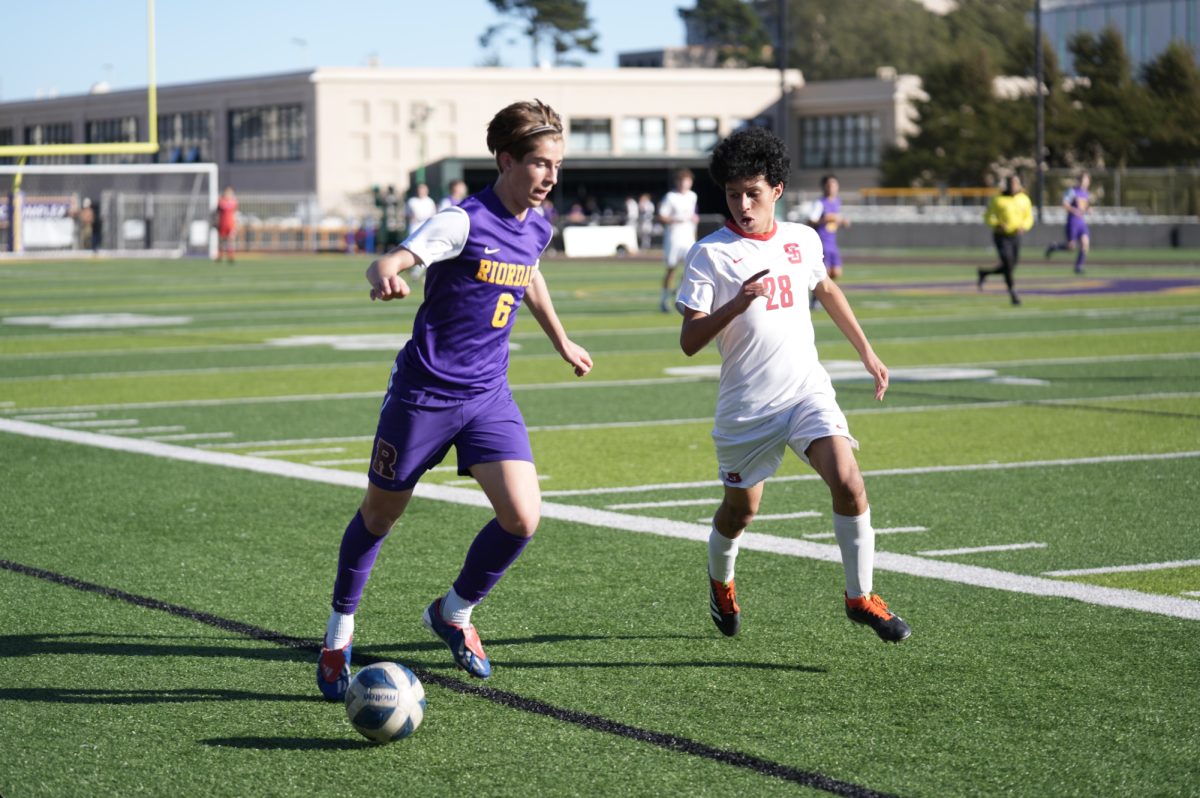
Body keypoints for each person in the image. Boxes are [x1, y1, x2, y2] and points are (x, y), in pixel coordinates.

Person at [316, 99, 593, 699]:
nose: (550, 176)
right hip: (424, 396)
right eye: (540, 164)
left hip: (489, 396)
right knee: (379, 516)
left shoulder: (540, 223)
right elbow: (391, 259)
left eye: (557, 165)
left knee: (522, 518)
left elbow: (532, 270)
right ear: (505, 160)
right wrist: (386, 276)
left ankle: (454, 611)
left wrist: (561, 339)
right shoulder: (461, 221)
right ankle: (339, 632)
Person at [675, 126, 911, 645]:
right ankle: (721, 582)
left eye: (752, 193)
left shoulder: (802, 239)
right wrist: (736, 304)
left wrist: (866, 351)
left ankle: (860, 596)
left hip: (806, 392)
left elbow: (825, 288)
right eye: (733, 194)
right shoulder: (709, 255)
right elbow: (690, 340)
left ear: (776, 189)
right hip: (746, 408)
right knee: (741, 512)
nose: (742, 205)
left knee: (848, 480)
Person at [978, 175, 1033, 306]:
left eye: (1015, 183)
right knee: (1008, 263)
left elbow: (1029, 217)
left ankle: (985, 273)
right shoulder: (998, 200)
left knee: (1012, 265)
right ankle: (1013, 294)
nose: (1013, 186)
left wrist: (1023, 226)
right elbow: (987, 216)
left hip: (1015, 237)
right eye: (1010, 183)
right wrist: (997, 224)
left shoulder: (1024, 199)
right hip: (1001, 237)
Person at [806, 174, 850, 310]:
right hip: (822, 243)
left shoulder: (837, 202)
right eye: (828, 185)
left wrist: (842, 221)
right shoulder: (819, 203)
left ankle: (816, 294)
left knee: (836, 273)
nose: (831, 187)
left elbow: (835, 220)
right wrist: (825, 219)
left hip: (832, 242)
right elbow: (810, 220)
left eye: (834, 184)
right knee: (823, 273)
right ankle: (815, 300)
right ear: (823, 186)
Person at [658, 169, 699, 312]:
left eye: (687, 180)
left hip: (687, 237)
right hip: (673, 238)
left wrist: (694, 225)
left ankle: (678, 291)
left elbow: (693, 216)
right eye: (681, 181)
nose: (684, 184)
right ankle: (664, 299)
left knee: (691, 267)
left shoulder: (693, 196)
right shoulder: (670, 197)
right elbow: (662, 216)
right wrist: (676, 219)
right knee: (671, 269)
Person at [1046, 172, 1092, 274]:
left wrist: (1088, 209)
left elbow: (1084, 205)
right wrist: (1074, 210)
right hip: (1072, 222)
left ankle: (1079, 267)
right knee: (1071, 246)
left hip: (1081, 223)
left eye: (1086, 180)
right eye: (1082, 179)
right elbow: (1063, 202)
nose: (1084, 182)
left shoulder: (1086, 193)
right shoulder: (1072, 191)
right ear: (1079, 180)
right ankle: (1054, 247)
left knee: (1085, 244)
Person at [216, 187, 238, 262]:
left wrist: (235, 224)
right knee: (222, 240)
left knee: (231, 239)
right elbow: (218, 213)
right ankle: (220, 255)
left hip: (231, 224)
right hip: (222, 223)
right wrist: (217, 222)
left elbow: (235, 213)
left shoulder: (234, 201)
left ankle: (230, 256)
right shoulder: (221, 201)